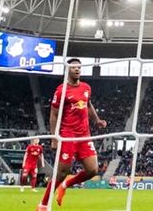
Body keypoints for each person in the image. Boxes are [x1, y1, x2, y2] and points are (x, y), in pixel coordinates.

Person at [39, 58, 107, 211]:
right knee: (63, 171)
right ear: (68, 70)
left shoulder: (86, 87)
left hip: (84, 135)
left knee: (92, 170)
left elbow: (88, 105)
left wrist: (97, 120)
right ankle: (43, 204)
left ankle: (65, 185)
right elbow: (53, 115)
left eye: (79, 67)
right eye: (74, 67)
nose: (77, 70)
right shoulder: (61, 90)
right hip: (68, 135)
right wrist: (54, 137)